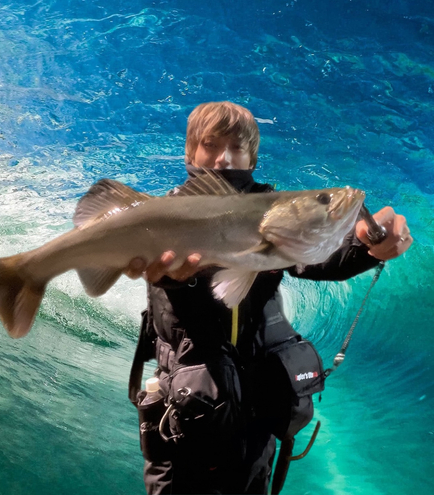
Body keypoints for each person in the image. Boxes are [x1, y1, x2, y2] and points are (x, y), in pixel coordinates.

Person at [126, 101, 412, 495]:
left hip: (256, 409)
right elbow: (171, 312)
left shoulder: (278, 210)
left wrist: (366, 247)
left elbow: (318, 257)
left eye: (236, 148)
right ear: (190, 153)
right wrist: (177, 279)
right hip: (187, 414)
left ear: (253, 157)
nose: (224, 159)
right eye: (211, 146)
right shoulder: (163, 214)